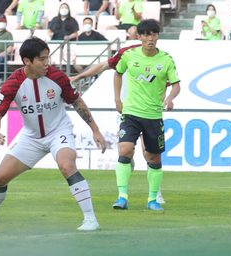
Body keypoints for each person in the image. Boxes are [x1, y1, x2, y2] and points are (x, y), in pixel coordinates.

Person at [0, 37, 107, 231]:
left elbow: (78, 103)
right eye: (41, 59)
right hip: (31, 137)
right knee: (0, 178)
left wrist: (96, 130)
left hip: (59, 131)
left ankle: (91, 220)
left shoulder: (58, 77)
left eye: (47, 58)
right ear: (27, 61)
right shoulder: (12, 83)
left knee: (67, 165)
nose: (46, 62)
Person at [70, 42, 168, 206]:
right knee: (125, 149)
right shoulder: (126, 53)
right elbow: (103, 66)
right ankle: (124, 191)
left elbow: (165, 82)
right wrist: (79, 77)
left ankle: (156, 193)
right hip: (126, 109)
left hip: (149, 111)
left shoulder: (158, 56)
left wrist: (162, 100)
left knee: (149, 152)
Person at [112, 19, 180, 211]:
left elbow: (176, 84)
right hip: (131, 113)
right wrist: (117, 99)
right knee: (125, 150)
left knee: (154, 158)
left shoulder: (166, 59)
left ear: (158, 36)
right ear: (139, 36)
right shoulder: (129, 55)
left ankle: (152, 200)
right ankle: (122, 197)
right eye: (146, 34)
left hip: (153, 115)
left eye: (154, 34)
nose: (150, 38)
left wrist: (170, 98)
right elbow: (117, 73)